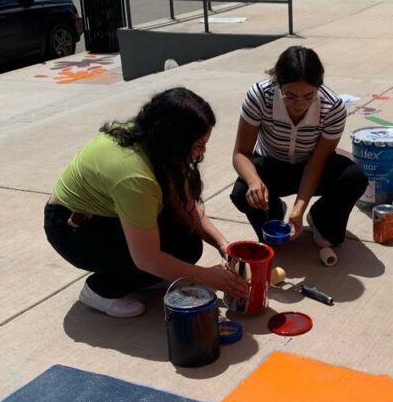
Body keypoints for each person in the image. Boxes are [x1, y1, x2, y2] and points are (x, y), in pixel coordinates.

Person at [44, 87, 249, 318]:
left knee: (187, 244)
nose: (203, 152)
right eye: (198, 145)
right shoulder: (135, 177)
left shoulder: (155, 141)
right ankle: (100, 290)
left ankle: (144, 278)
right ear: (176, 141)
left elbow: (185, 206)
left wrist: (224, 246)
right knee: (153, 260)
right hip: (74, 230)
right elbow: (147, 258)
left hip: (104, 217)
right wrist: (206, 276)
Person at [230, 46, 367, 249]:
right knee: (242, 192)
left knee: (354, 177)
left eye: (309, 96)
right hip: (271, 165)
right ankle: (274, 210)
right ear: (278, 83)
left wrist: (300, 208)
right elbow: (241, 152)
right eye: (290, 96)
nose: (299, 104)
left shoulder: (333, 107)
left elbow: (317, 163)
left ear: (319, 87)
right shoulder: (259, 95)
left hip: (310, 166)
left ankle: (320, 218)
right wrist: (253, 181)